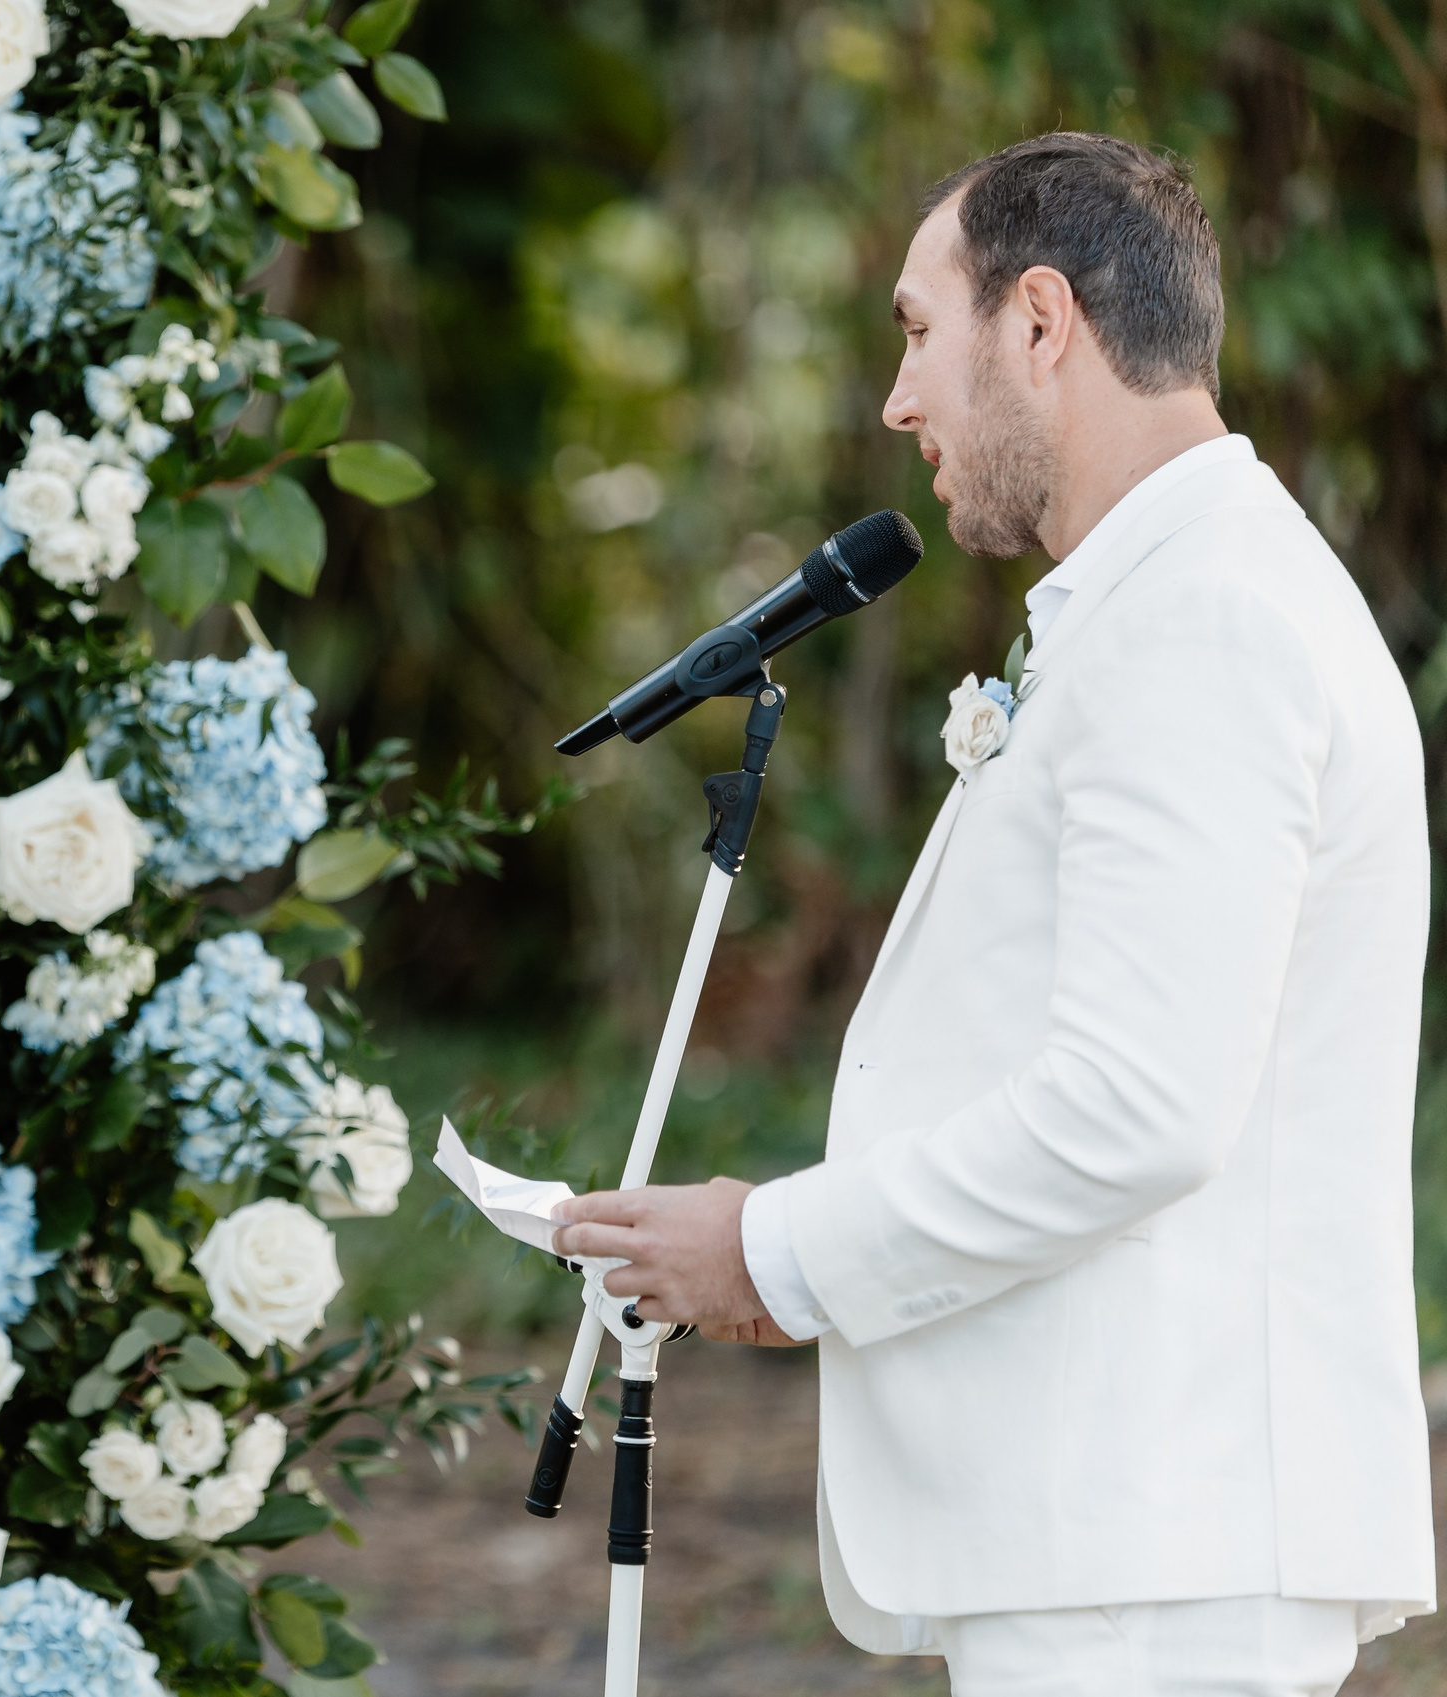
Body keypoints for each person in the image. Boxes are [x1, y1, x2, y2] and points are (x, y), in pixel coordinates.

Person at [550, 132, 1435, 1694]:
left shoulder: (1208, 619)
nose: (897, 401)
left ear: (1040, 323)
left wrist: (775, 1246)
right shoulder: (1178, 593)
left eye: (915, 329)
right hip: (1124, 1541)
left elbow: (1136, 1108)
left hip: (1160, 1555)